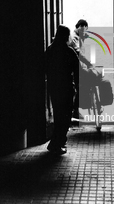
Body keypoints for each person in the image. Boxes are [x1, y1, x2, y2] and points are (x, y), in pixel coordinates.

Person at [45, 25, 79, 154]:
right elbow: (77, 71)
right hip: (66, 88)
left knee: (59, 115)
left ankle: (57, 142)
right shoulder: (69, 51)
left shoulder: (50, 50)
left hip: (54, 88)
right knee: (65, 117)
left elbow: (44, 68)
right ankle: (56, 143)